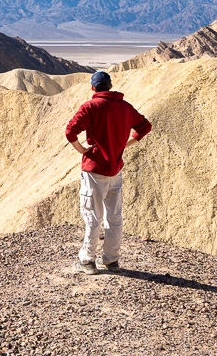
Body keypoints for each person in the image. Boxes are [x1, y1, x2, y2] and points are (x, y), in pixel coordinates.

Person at [64, 70, 152, 274]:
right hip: (115, 169)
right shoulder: (125, 107)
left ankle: (87, 260)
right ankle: (112, 260)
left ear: (93, 87)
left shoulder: (91, 107)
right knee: (114, 216)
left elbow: (70, 132)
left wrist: (83, 150)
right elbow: (145, 126)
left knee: (92, 216)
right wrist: (123, 145)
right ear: (110, 86)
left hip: (94, 169)